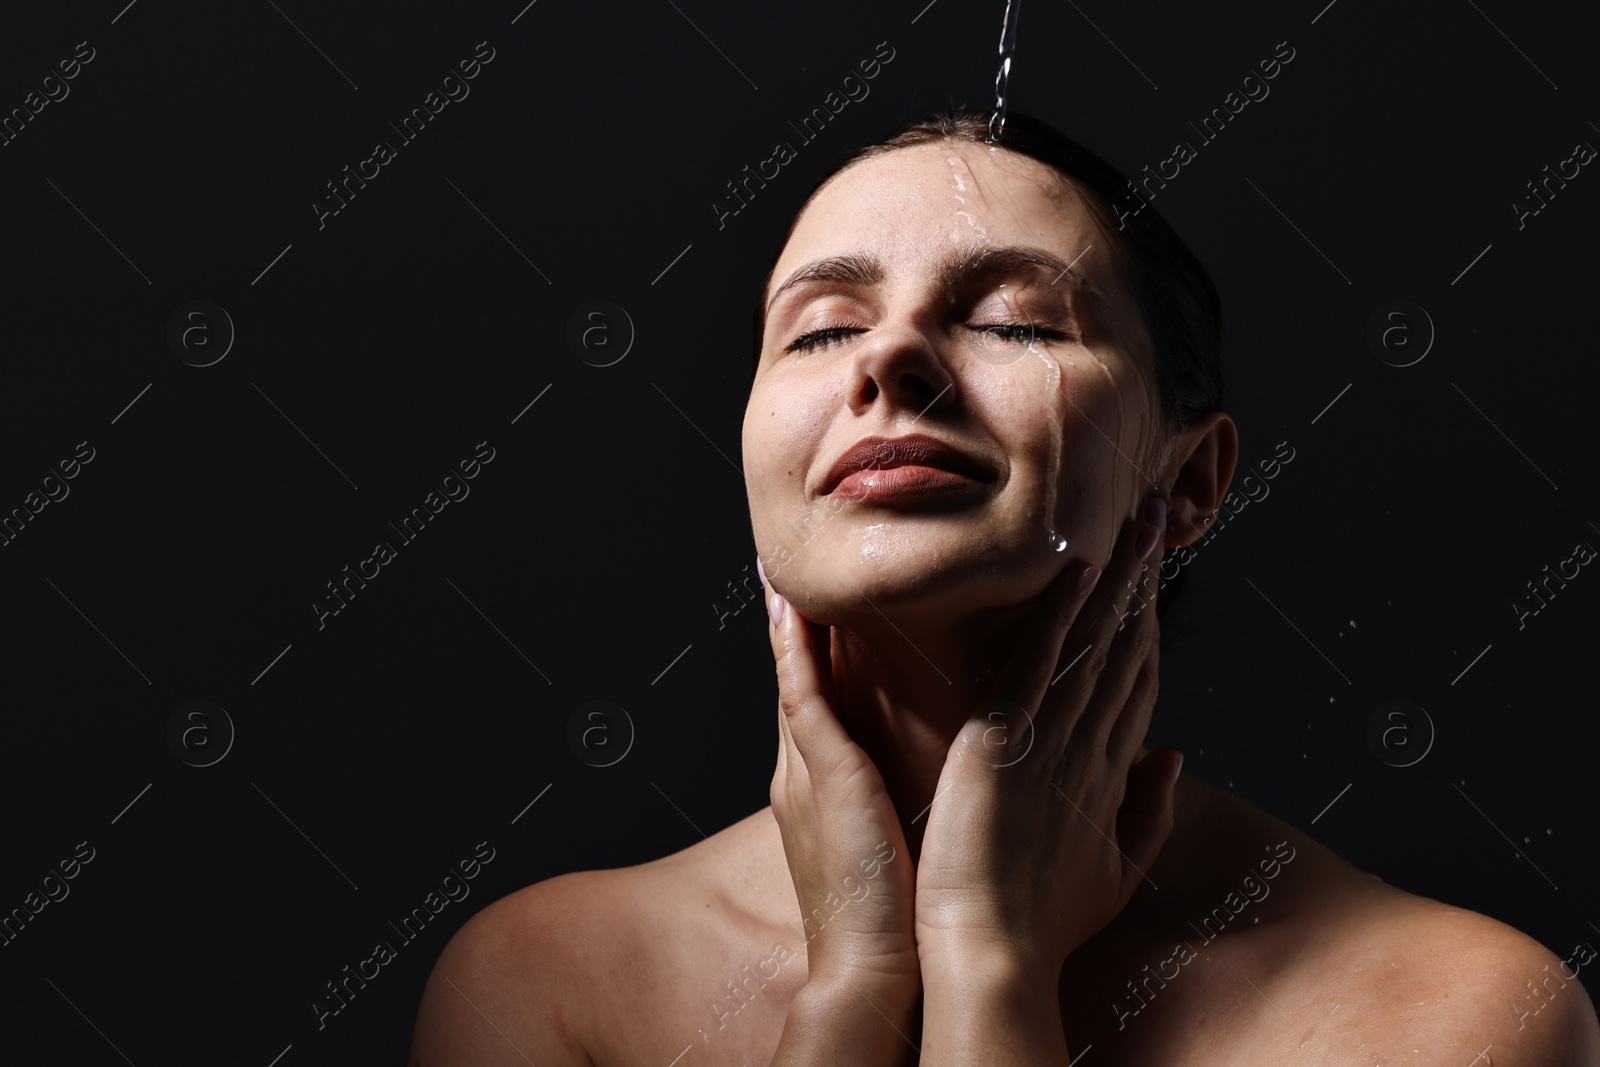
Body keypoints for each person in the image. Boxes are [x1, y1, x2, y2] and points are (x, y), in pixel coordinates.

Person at [406, 109, 1600, 1066]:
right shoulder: (543, 987)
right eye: (820, 329)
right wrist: (855, 992)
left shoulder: (1455, 1015)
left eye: (1014, 319)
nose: (890, 357)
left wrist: (988, 965)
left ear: (1189, 479)